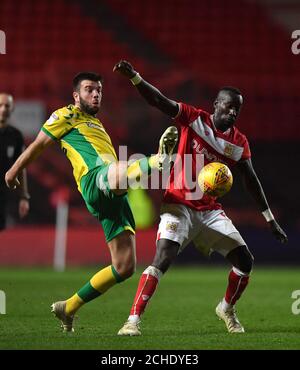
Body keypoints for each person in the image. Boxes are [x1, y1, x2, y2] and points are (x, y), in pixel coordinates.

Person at [113, 60, 288, 335]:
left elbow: (250, 179)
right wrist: (135, 77)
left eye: (237, 109)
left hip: (209, 210)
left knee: (245, 262)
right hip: (178, 204)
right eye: (228, 106)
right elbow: (159, 100)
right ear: (216, 104)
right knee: (163, 258)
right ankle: (132, 321)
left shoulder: (238, 142)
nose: (232, 112)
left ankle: (226, 308)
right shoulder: (194, 118)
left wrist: (269, 218)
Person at [5, 72, 178, 332]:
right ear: (76, 95)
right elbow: (38, 145)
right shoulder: (65, 115)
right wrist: (14, 170)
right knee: (119, 169)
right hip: (94, 181)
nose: (96, 94)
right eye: (89, 90)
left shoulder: (96, 123)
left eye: (99, 90)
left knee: (124, 267)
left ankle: (69, 307)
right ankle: (157, 160)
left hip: (114, 192)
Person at [0, 93, 30, 231]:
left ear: (12, 108)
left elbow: (21, 167)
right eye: (0, 105)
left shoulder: (15, 136)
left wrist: (23, 196)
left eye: (7, 105)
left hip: (4, 195)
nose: (3, 108)